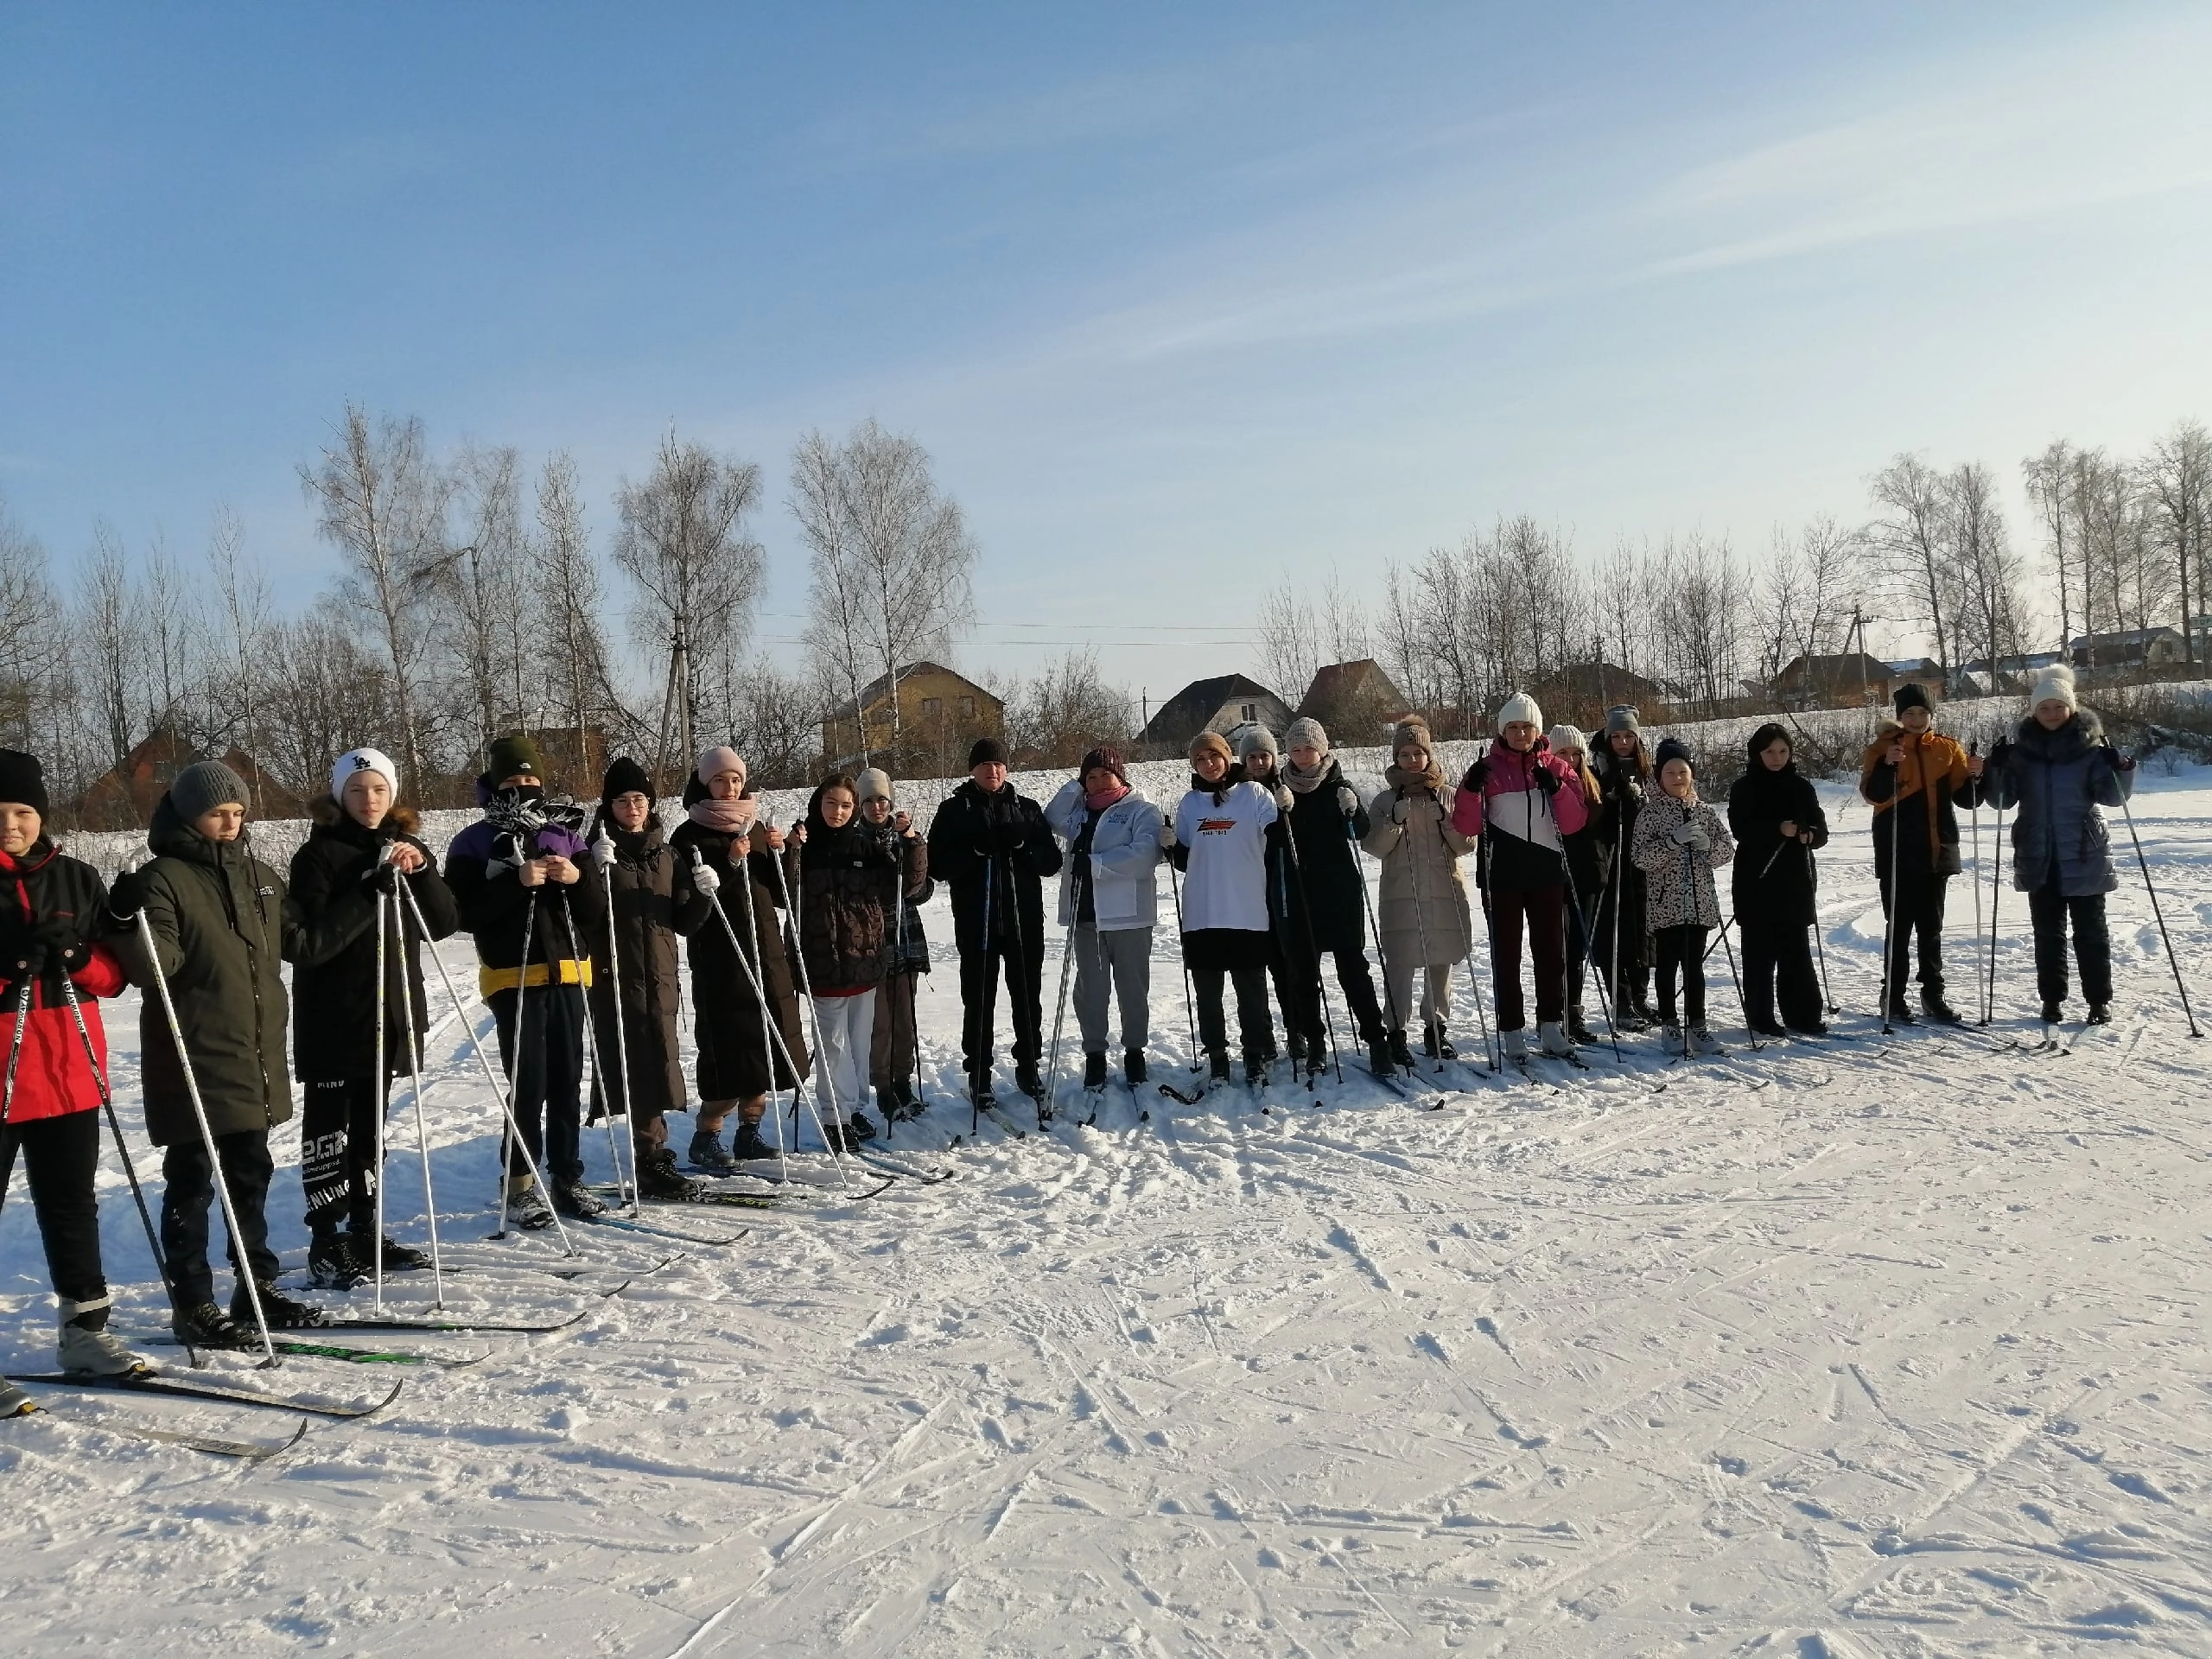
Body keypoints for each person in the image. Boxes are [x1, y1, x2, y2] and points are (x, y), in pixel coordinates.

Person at [107, 759, 323, 1344]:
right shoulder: (164, 878)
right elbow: (158, 966)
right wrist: (127, 920)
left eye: (236, 813)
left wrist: (363, 894)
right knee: (194, 1181)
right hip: (195, 1056)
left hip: (254, 1053)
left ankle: (258, 1288)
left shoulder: (259, 876)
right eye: (215, 814)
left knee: (251, 1175)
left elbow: (301, 943)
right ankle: (193, 1301)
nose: (229, 823)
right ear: (187, 814)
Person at [0, 749, 145, 1392]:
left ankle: (85, 1332)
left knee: (71, 1205)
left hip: (67, 1071)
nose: (11, 824)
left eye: (23, 811)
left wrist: (78, 955)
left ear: (42, 816)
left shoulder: (78, 879)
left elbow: (113, 979)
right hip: (2, 1074)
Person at [288, 747, 460, 1287]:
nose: (369, 800)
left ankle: (366, 1228)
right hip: (335, 1015)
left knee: (369, 1129)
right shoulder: (318, 856)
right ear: (340, 796)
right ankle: (326, 1238)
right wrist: (367, 891)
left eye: (379, 790)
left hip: (390, 1011)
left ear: (393, 796)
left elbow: (444, 921)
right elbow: (309, 944)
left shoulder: (404, 847)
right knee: (329, 1131)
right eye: (358, 790)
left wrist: (423, 868)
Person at [443, 732, 605, 1225]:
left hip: (570, 974)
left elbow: (596, 912)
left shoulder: (564, 833)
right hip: (514, 977)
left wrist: (578, 878)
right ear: (494, 783)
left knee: (566, 1079)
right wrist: (515, 882)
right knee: (529, 1081)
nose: (525, 786)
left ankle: (567, 1176)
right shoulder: (473, 841)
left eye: (532, 778)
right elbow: (461, 914)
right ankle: (519, 1181)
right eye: (514, 779)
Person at [1962, 663, 2133, 1025]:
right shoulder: (2021, 752)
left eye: (2058, 706)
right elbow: (2002, 801)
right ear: (2034, 711)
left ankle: (2098, 1001)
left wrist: (2121, 766)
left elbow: (2114, 797)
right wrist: (1997, 768)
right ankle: (2052, 1000)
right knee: (2047, 935)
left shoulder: (2090, 749)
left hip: (2085, 852)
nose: (2052, 713)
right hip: (2038, 853)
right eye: (2044, 707)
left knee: (2091, 933)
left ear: (2071, 708)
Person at [668, 747, 810, 1165]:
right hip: (721, 957)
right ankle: (707, 1135)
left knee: (765, 1043)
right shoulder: (689, 836)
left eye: (735, 780)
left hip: (765, 951)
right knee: (728, 1047)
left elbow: (782, 893)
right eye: (720, 780)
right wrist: (730, 863)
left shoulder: (753, 827)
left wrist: (785, 853)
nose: (729, 787)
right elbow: (689, 902)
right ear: (704, 784)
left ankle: (751, 1129)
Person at [586, 756, 710, 1200]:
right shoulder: (597, 853)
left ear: (650, 804)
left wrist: (702, 893)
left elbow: (685, 922)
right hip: (614, 977)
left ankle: (655, 1153)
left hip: (660, 977)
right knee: (634, 1065)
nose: (632, 808)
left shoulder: (668, 854)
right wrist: (591, 875)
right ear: (609, 807)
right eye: (622, 801)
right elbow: (587, 918)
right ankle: (649, 1157)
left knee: (660, 1061)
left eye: (639, 799)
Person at [926, 738, 1062, 1109]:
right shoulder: (953, 810)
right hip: (976, 921)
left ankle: (1028, 1064)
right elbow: (937, 865)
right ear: (972, 770)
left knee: (1027, 996)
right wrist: (974, 851)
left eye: (999, 764)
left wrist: (1023, 848)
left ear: (1007, 768)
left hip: (1023, 920)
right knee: (979, 1000)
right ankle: (980, 1073)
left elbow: (1052, 862)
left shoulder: (1027, 809)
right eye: (985, 765)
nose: (993, 771)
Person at [1452, 696, 1586, 1061]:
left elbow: (1575, 823)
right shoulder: (1486, 769)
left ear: (1537, 730)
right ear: (1502, 731)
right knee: (1506, 955)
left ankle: (1551, 1025)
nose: (1520, 733)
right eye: (1512, 727)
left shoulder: (1557, 767)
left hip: (1546, 871)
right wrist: (1469, 790)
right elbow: (1465, 825)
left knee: (1550, 952)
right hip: (1502, 874)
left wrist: (1556, 789)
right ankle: (1511, 1028)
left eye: (1526, 727)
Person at [785, 772, 904, 1144]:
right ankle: (834, 1116)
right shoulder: (805, 845)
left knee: (858, 1042)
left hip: (863, 962)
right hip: (823, 963)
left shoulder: (863, 845)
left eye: (846, 805)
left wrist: (910, 845)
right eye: (831, 803)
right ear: (818, 805)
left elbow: (900, 885)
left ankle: (851, 1110)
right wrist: (789, 850)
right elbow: (783, 891)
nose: (838, 811)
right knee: (832, 1045)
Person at [1277, 718, 1393, 1077]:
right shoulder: (1280, 790)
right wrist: (1277, 813)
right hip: (1300, 892)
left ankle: (1377, 1040)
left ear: (1323, 749)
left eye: (1308, 749)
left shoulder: (1339, 786)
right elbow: (1272, 841)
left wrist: (1353, 808)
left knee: (1353, 970)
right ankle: (1315, 1042)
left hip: (1339, 890)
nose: (1302, 756)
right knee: (1304, 974)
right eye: (1295, 750)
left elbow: (1359, 832)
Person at [1043, 746, 1161, 1091]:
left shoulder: (1141, 810)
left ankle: (1135, 1050)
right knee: (1091, 991)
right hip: (1086, 916)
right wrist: (1076, 786)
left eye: (1103, 775)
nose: (1096, 783)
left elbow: (1144, 855)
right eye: (1090, 777)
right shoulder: (1079, 813)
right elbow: (1052, 815)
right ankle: (1094, 1053)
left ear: (1120, 776)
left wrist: (1095, 865)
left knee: (1132, 989)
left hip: (1129, 917)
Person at [1859, 683, 1972, 1024]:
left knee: (1931, 927)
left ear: (1931, 714)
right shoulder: (1881, 748)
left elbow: (1966, 798)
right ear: (1899, 716)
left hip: (1938, 848)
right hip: (1897, 848)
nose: (1916, 719)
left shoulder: (1948, 749)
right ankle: (1892, 996)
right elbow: (1873, 795)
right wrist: (1888, 766)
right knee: (1900, 927)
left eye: (1922, 713)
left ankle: (1933, 994)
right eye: (1909, 713)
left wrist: (1980, 775)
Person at [1170, 730, 1277, 1085]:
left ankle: (1255, 1053)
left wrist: (1286, 809)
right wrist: (1172, 848)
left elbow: (1275, 836)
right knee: (1208, 996)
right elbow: (1186, 859)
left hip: (1246, 909)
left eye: (1213, 756)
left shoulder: (1254, 794)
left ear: (1227, 757)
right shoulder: (1189, 804)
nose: (1208, 764)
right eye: (1200, 760)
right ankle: (1217, 1055)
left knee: (1251, 993)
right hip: (1202, 912)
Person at [1366, 717, 1475, 1062]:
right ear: (1396, 757)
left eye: (1418, 753)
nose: (1412, 760)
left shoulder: (1448, 794)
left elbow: (1466, 844)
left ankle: (1436, 1029)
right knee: (1400, 963)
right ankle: (1395, 1030)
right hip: (1400, 894)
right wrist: (1394, 823)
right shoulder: (1384, 800)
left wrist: (1447, 820)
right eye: (1405, 754)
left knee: (1439, 960)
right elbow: (1375, 847)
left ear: (1429, 755)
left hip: (1444, 890)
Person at [1631, 736, 1735, 1054]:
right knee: (1666, 966)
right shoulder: (1650, 814)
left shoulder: (1704, 811)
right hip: (1666, 906)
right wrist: (1670, 843)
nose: (1677, 778)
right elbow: (1639, 857)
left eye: (1682, 771)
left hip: (1700, 904)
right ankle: (1669, 1024)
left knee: (1695, 968)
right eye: (1670, 772)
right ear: (1660, 777)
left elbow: (1726, 850)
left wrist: (1709, 847)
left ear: (1691, 773)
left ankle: (1698, 1025)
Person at [1726, 723, 1830, 1038]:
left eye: (1783, 751)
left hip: (1795, 878)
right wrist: (1777, 829)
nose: (1777, 757)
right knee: (1759, 951)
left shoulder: (1801, 787)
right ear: (1757, 753)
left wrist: (1809, 835)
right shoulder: (1744, 787)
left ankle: (1803, 1014)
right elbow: (1741, 829)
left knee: (1795, 951)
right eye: (1770, 751)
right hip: (1757, 879)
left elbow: (1821, 830)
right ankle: (1760, 1016)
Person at [858, 770, 933, 1122]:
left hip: (905, 934)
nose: (876, 806)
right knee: (880, 1021)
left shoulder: (905, 838)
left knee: (906, 1016)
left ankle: (903, 1080)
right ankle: (883, 1085)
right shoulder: (854, 840)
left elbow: (923, 888)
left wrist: (912, 842)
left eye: (882, 800)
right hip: (871, 939)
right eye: (869, 800)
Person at [1236, 726, 1300, 1069]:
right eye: (1252, 757)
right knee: (1253, 971)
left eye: (1265, 756)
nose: (1259, 762)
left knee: (1285, 967)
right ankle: (1263, 1037)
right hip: (1247, 891)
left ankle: (1297, 1031)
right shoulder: (1236, 792)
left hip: (1281, 890)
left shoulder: (1284, 788)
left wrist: (1288, 811)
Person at [1589, 707, 1655, 1028]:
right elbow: (1592, 816)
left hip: (1642, 861)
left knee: (1642, 931)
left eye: (1629, 735)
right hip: (1611, 859)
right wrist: (1612, 799)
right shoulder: (1597, 769)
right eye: (1617, 735)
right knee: (1613, 932)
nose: (1623, 741)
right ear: (1607, 737)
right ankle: (1622, 1001)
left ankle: (1640, 998)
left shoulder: (1648, 771)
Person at [1546, 725, 1605, 1045]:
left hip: (1588, 876)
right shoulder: (1547, 785)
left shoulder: (1592, 784)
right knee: (1559, 948)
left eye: (1575, 753)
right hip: (1556, 876)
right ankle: (1557, 1011)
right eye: (1563, 753)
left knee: (1578, 949)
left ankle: (1574, 1009)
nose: (1570, 759)